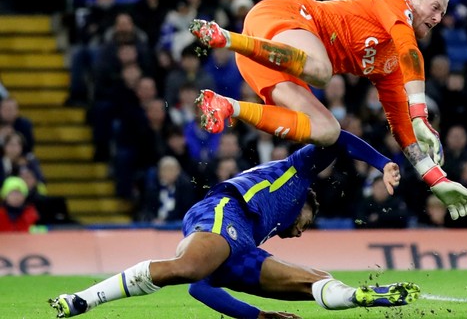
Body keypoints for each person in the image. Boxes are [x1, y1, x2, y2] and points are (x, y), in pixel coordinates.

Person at [189, 0, 467, 220]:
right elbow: (410, 52)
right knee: (322, 73)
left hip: (269, 58)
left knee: (327, 130)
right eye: (435, 7)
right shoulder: (394, 5)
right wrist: (421, 117)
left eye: (443, 14)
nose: (438, 18)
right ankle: (226, 38)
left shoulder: (388, 65)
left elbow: (401, 128)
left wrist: (437, 181)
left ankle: (228, 106)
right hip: (282, 16)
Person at [50, 130, 419, 318]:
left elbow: (201, 291)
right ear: (305, 204)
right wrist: (381, 162)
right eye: (308, 219)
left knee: (315, 281)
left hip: (243, 241)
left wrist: (258, 316)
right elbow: (336, 139)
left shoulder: (265, 230)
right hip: (226, 210)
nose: (304, 229)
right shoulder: (297, 172)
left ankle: (357, 297)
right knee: (188, 267)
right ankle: (83, 299)